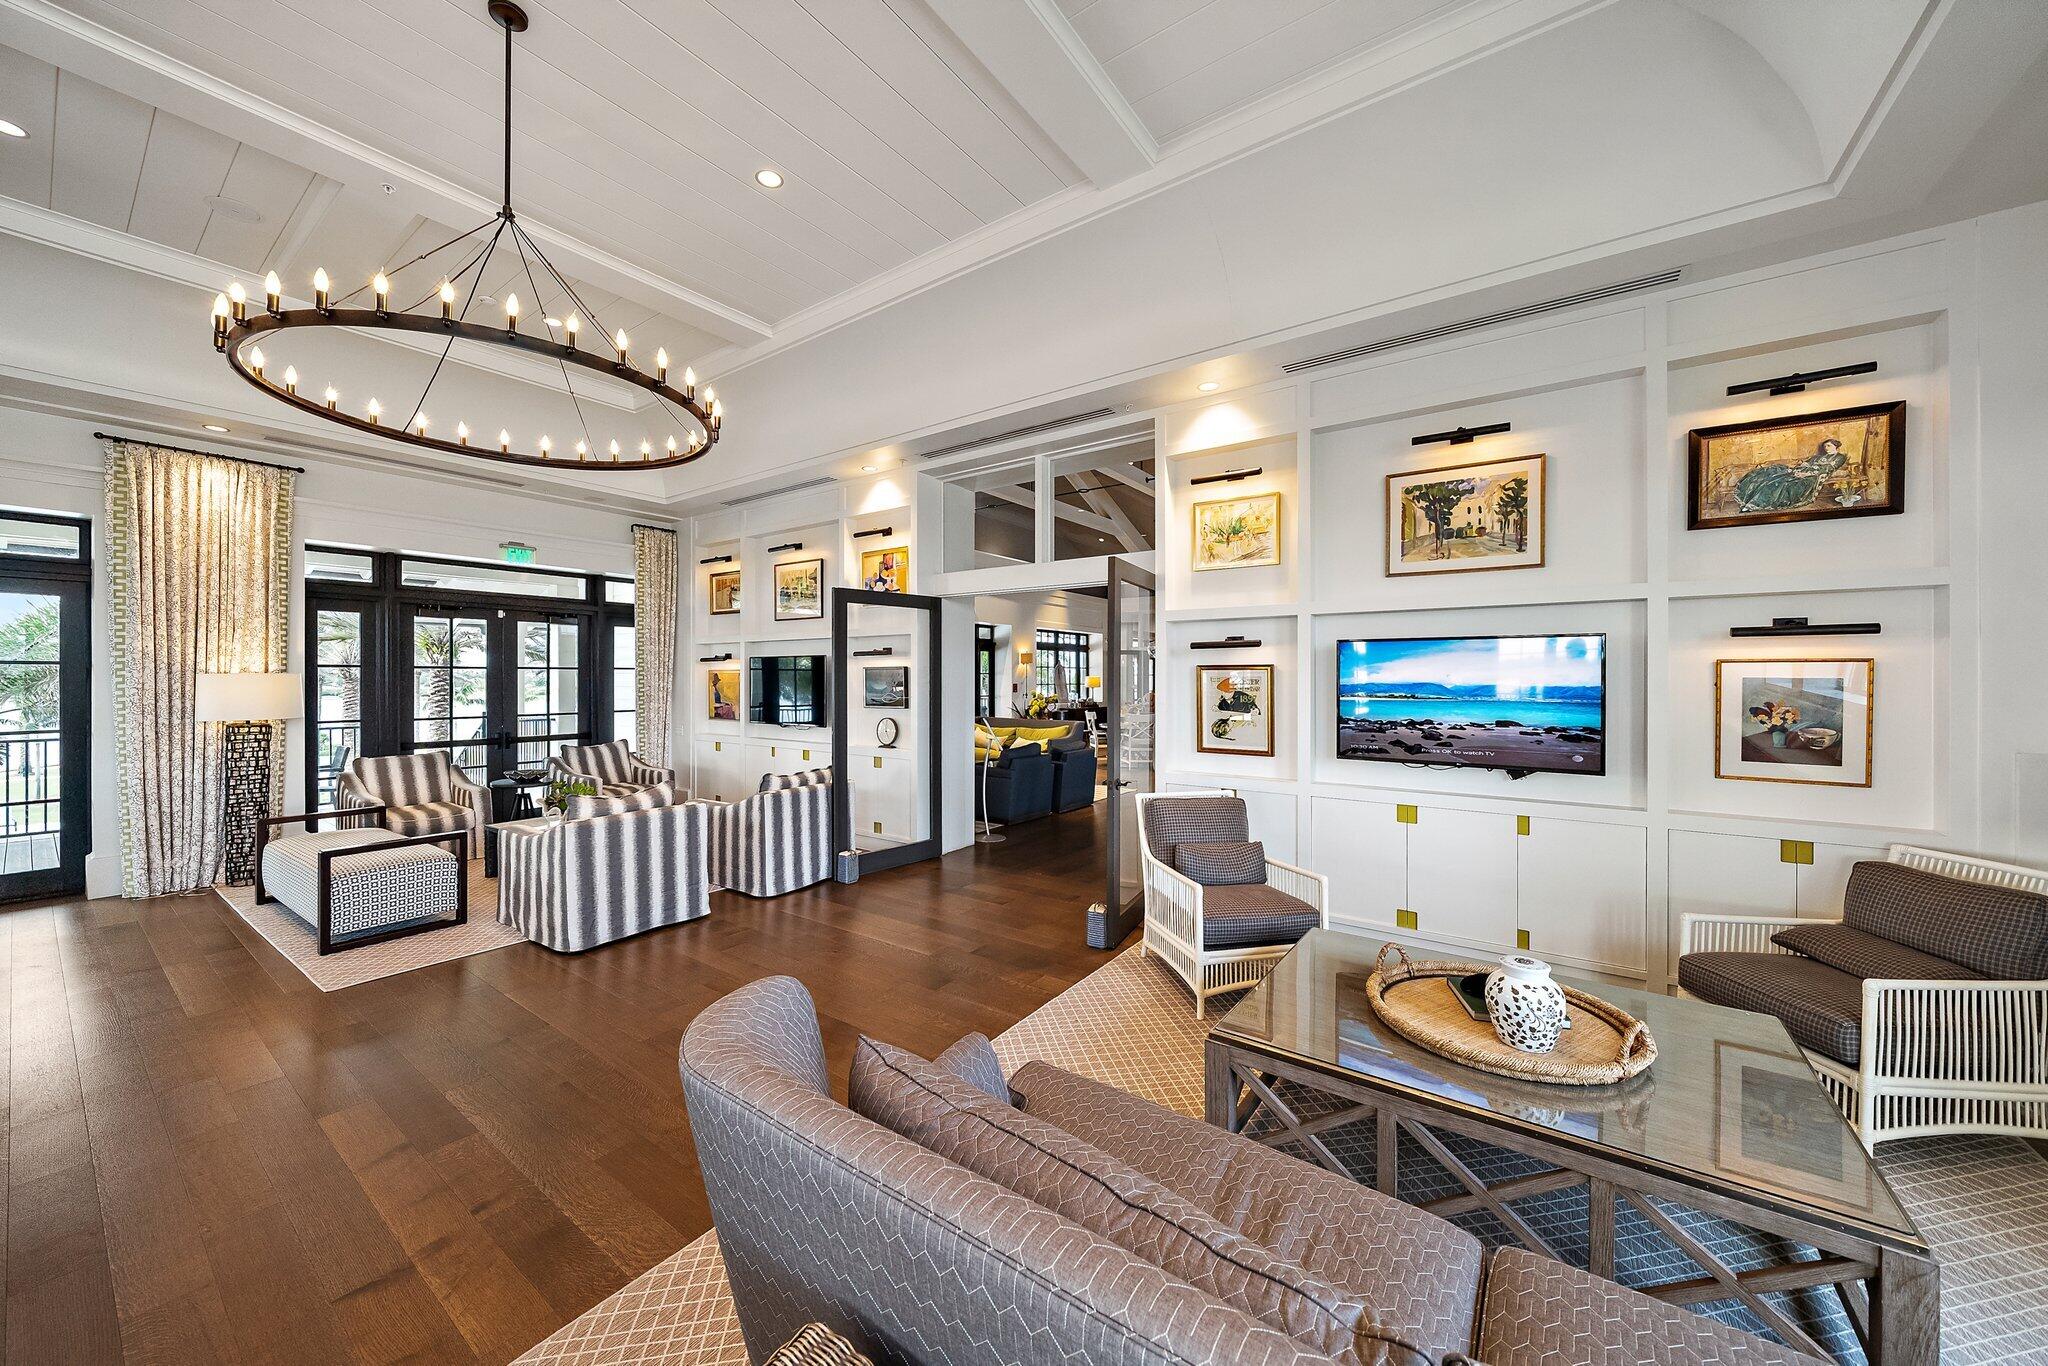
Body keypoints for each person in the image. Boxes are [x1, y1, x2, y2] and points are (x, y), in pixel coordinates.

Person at [1734, 436, 1849, 512]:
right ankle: (1751, 502)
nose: (1826, 448)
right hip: (1801, 471)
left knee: (1785, 484)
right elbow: (1805, 464)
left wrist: (1806, 473)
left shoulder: (1840, 457)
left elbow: (1827, 468)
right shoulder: (1818, 457)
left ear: (1836, 446)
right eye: (1825, 446)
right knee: (1773, 477)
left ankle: (1755, 505)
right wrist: (1797, 470)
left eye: (1829, 445)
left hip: (1814, 476)